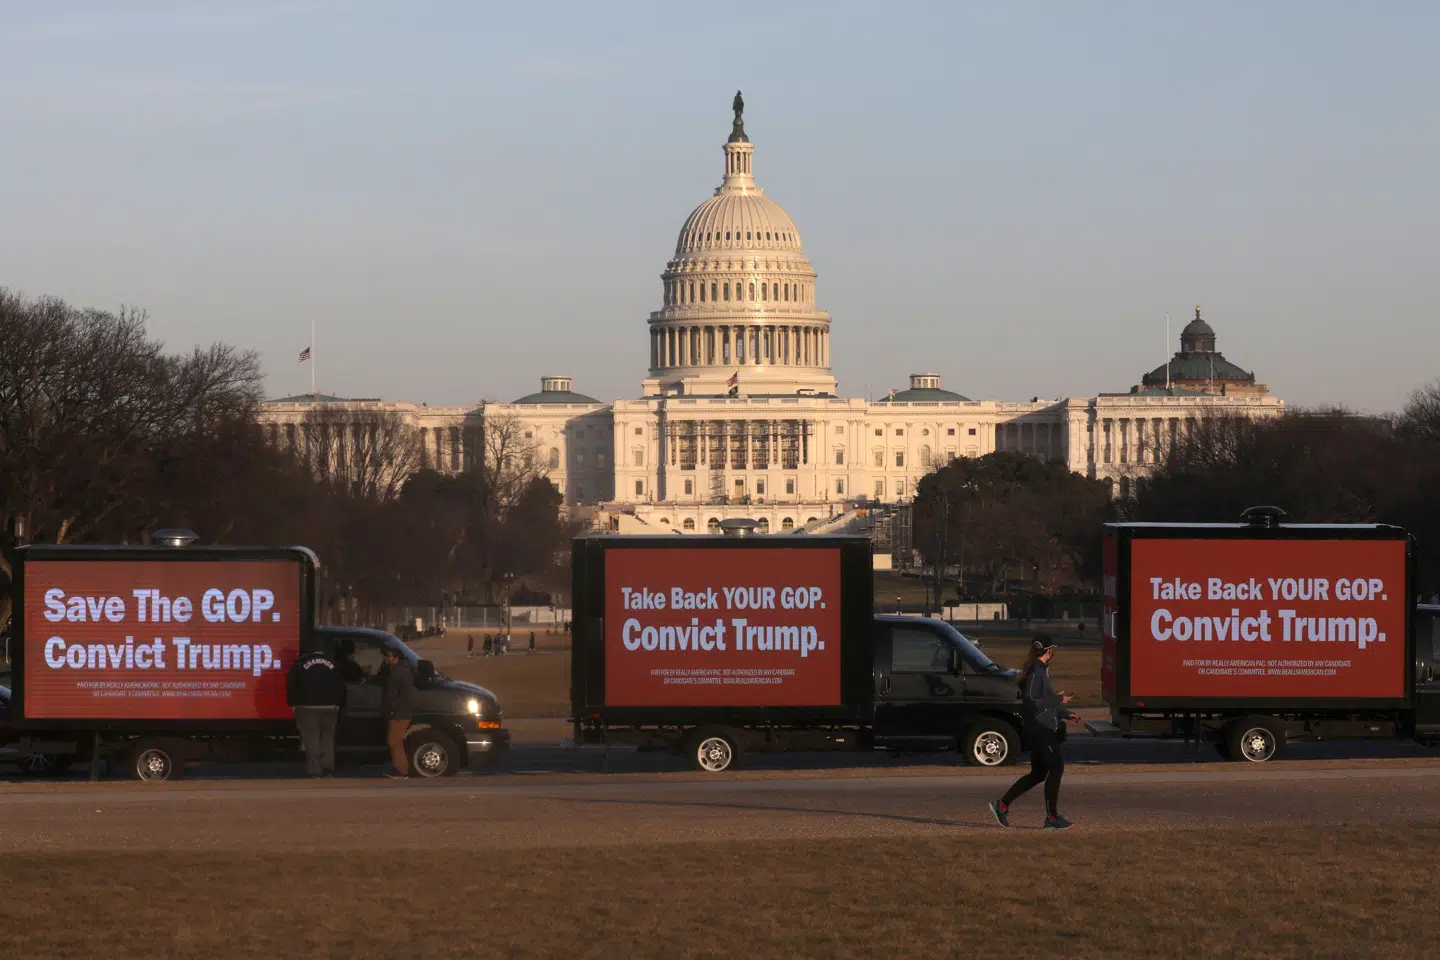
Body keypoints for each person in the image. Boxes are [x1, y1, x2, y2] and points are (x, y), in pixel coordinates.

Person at [989, 636, 1081, 830]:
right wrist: (1057, 700)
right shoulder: (1036, 672)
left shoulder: (1040, 671)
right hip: (1040, 729)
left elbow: (1045, 702)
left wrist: (1066, 713)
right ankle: (1052, 818)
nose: (1053, 653)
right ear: (1048, 651)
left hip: (1042, 726)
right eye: (1052, 650)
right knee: (1056, 768)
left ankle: (1002, 805)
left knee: (1039, 774)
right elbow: (1031, 702)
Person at [286, 640, 347, 778]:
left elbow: (292, 685)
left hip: (306, 707)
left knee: (311, 739)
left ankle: (315, 771)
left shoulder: (299, 664)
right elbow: (341, 686)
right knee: (328, 739)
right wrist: (339, 704)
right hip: (331, 707)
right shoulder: (333, 663)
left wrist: (293, 704)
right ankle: (328, 769)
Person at [380, 646, 417, 779]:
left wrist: (390, 709)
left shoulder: (397, 673)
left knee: (394, 740)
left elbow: (393, 695)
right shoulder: (402, 670)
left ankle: (401, 770)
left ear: (396, 658)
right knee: (395, 740)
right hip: (401, 711)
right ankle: (401, 769)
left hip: (399, 712)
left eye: (389, 657)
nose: (386, 659)